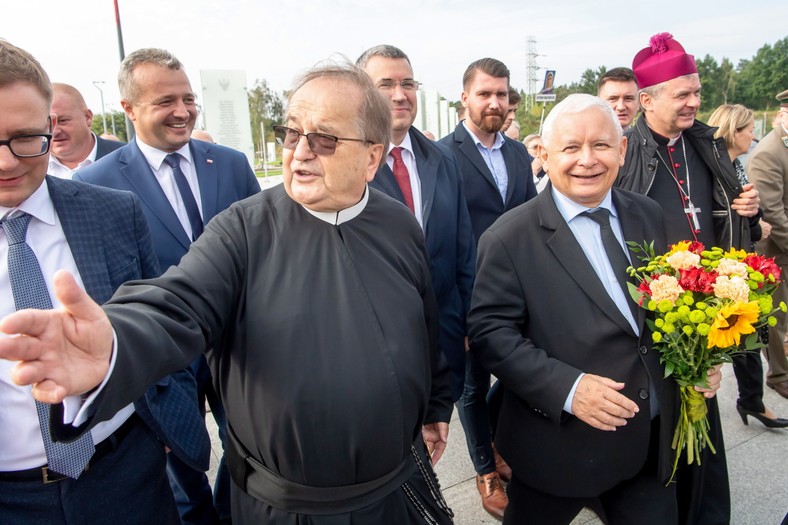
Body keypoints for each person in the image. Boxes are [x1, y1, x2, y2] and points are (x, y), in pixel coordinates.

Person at [0, 62, 454, 525]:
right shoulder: (243, 229)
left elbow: (423, 322)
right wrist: (115, 343)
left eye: (324, 140)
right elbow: (176, 304)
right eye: (292, 133)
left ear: (372, 158)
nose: (299, 153)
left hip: (395, 494)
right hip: (289, 511)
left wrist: (437, 401)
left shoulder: (398, 223)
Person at [469, 93, 722, 525]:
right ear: (544, 156)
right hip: (558, 452)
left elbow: (670, 307)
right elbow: (492, 335)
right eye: (570, 147)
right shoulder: (509, 238)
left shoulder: (648, 214)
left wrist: (697, 360)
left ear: (622, 151)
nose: (587, 160)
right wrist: (568, 388)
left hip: (649, 446)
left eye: (601, 145)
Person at [74, 48, 261, 525]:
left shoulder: (233, 164)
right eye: (165, 102)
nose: (182, 111)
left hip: (238, 342)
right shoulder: (95, 183)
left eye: (188, 98)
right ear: (129, 108)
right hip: (161, 355)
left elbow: (265, 247)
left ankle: (227, 512)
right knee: (180, 464)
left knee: (251, 448)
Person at [0, 39, 181, 524]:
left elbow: (162, 322)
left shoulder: (113, 212)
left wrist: (166, 427)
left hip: (125, 476)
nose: (6, 162)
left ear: (50, 127)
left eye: (24, 138)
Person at [616, 32, 761, 525]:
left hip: (707, 304)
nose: (695, 102)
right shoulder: (626, 151)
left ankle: (705, 512)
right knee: (660, 428)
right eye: (683, 94)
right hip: (654, 311)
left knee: (702, 416)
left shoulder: (706, 143)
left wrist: (746, 210)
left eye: (697, 92)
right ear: (648, 100)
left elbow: (731, 212)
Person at [439, 57, 537, 520]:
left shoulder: (519, 155)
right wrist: (452, 314)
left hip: (516, 295)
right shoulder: (442, 155)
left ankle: (497, 445)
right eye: (484, 93)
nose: (494, 102)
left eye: (501, 93)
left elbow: (533, 224)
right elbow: (440, 239)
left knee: (516, 377)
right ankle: (485, 469)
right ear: (465, 98)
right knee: (472, 387)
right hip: (469, 297)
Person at [357, 44, 476, 402]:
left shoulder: (442, 159)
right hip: (375, 347)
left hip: (444, 337)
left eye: (408, 83)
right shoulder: (346, 164)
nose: (400, 95)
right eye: (386, 84)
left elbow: (463, 250)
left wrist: (471, 320)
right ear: (361, 91)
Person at [707, 103, 786, 427]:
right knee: (740, 335)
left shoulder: (735, 165)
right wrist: (759, 226)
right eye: (749, 129)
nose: (754, 135)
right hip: (725, 264)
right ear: (733, 132)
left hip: (742, 258)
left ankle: (751, 400)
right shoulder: (717, 169)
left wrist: (756, 223)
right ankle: (752, 399)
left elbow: (747, 215)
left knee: (747, 335)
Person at [746, 90, 788, 400]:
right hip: (775, 251)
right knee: (774, 318)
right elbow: (774, 214)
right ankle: (779, 375)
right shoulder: (770, 152)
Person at [48, 83, 124, 179]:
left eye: (63, 121)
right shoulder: (32, 168)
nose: (55, 132)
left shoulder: (128, 158)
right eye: (47, 124)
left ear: (88, 117)